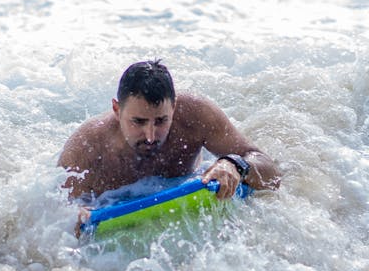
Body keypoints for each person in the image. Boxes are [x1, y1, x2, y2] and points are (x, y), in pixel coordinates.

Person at [58, 60, 280, 201]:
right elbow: (53, 220)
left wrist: (235, 165)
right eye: (138, 121)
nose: (151, 136)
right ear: (117, 110)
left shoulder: (195, 115)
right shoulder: (86, 148)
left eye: (161, 121)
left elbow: (271, 172)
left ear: (174, 107)